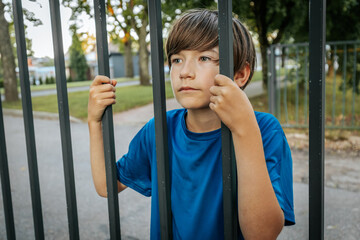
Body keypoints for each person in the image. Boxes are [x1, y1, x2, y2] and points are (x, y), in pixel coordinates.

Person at [88, 9, 295, 240]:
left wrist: (243, 129)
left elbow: (262, 235)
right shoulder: (160, 129)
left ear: (241, 74)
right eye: (177, 59)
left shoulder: (265, 129)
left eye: (204, 58)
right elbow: (107, 186)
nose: (184, 72)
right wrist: (95, 122)